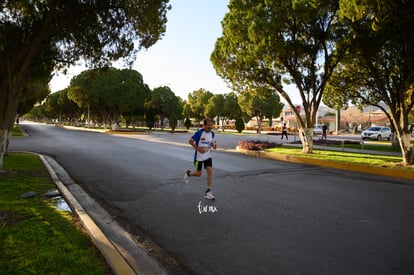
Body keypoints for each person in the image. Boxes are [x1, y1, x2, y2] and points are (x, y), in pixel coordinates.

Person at [183, 118, 217, 200]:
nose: (210, 127)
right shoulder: (199, 133)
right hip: (199, 157)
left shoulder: (212, 133)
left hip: (208, 156)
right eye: (208, 125)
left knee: (210, 171)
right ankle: (189, 174)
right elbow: (190, 141)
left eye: (211, 125)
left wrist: (214, 145)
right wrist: (197, 148)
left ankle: (208, 192)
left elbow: (211, 142)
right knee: (199, 174)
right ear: (204, 125)